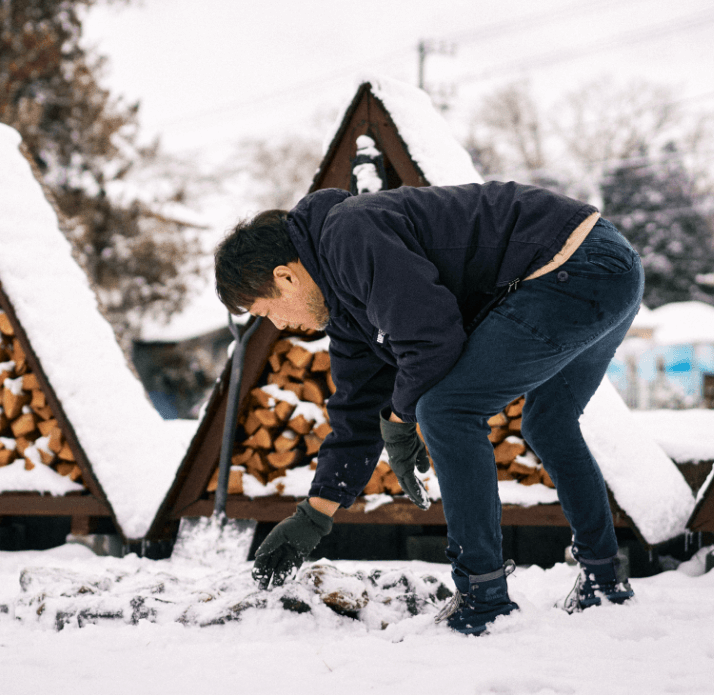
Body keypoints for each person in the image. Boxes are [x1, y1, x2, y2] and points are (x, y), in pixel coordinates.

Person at [213, 180, 644, 635]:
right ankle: (603, 579)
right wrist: (313, 517)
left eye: (266, 312)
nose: (279, 325)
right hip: (608, 268)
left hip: (575, 267)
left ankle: (482, 598)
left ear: (285, 276)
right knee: (548, 422)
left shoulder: (348, 234)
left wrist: (402, 420)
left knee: (446, 410)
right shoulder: (345, 308)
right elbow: (356, 413)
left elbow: (433, 339)